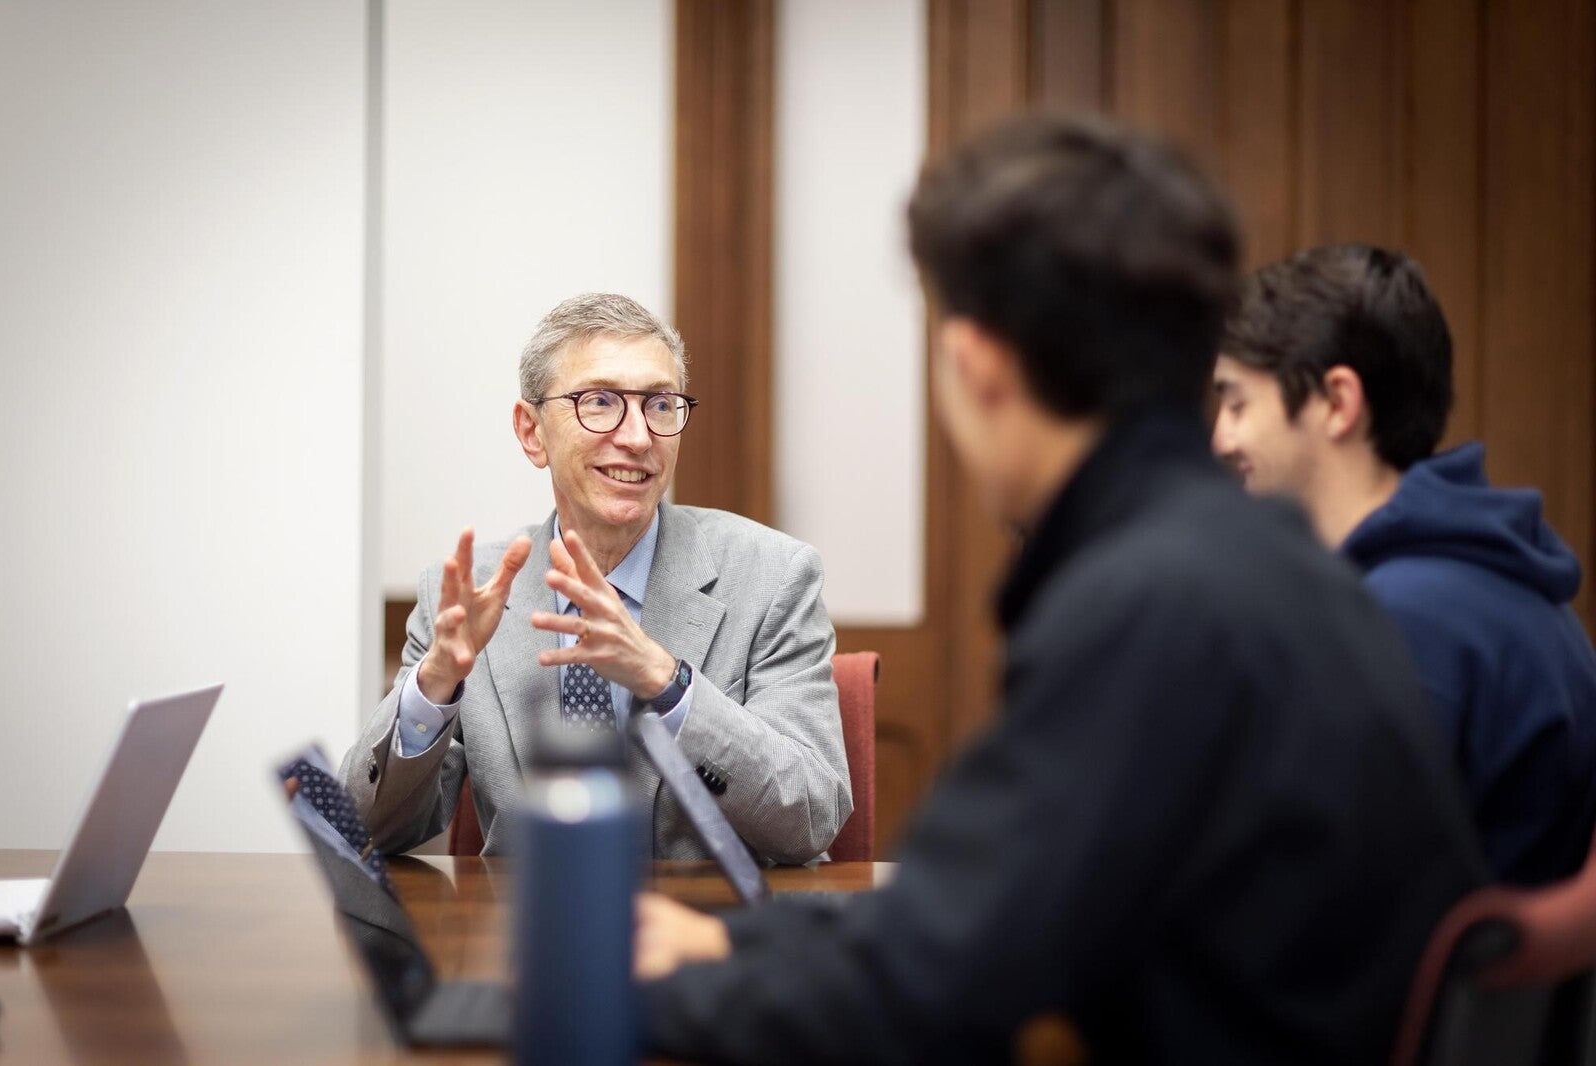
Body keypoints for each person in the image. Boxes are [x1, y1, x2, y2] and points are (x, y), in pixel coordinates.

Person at [635, 115, 1486, 1065]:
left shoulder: (1149, 605)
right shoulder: (1250, 563)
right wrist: (737, 941)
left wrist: (612, 994)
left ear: (977, 365)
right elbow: (979, 913)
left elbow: (932, 989)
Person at [342, 293, 851, 863]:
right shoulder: (462, 596)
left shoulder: (773, 576)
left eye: (660, 404)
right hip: (532, 933)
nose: (637, 437)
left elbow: (812, 815)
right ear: (531, 431)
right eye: (601, 402)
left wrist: (666, 680)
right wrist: (435, 683)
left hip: (711, 932)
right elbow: (368, 828)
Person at [1212, 244, 1596, 885]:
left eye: (1237, 404)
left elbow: (1314, 906)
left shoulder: (1403, 625)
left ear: (1337, 402)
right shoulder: (1480, 590)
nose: (1220, 439)